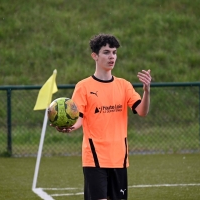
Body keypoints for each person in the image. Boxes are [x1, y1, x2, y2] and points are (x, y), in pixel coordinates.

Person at [55, 33, 151, 200]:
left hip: (119, 158)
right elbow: (79, 118)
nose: (111, 56)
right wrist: (70, 126)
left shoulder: (124, 85)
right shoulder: (83, 87)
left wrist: (146, 92)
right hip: (94, 158)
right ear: (95, 56)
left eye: (114, 52)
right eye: (106, 52)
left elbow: (142, 111)